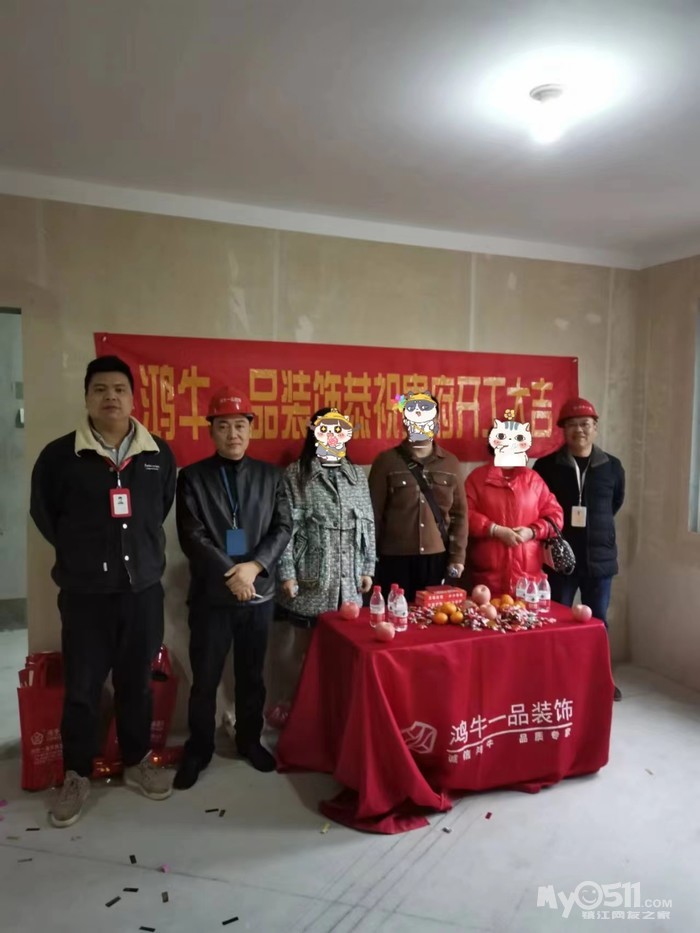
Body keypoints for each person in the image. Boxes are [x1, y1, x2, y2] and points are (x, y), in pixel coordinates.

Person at [30, 356, 176, 828]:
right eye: (100, 389)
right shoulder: (59, 456)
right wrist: (83, 556)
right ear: (87, 398)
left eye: (119, 389)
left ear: (133, 398)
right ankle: (76, 773)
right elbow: (45, 514)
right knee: (82, 689)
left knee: (136, 683)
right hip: (85, 595)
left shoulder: (158, 454)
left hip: (142, 593)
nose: (110, 396)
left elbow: (160, 508)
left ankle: (137, 761)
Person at [173, 387, 292, 788]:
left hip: (259, 596)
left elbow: (283, 527)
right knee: (205, 679)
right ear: (211, 431)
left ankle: (249, 740)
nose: (233, 434)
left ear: (250, 429)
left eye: (240, 425)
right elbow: (192, 536)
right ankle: (199, 748)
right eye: (223, 426)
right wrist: (233, 574)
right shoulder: (192, 478)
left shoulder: (271, 477)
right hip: (212, 597)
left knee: (252, 676)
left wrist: (253, 568)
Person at [274, 408, 376, 698]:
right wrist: (287, 573)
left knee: (344, 656)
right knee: (305, 656)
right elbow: (285, 528)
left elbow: (368, 524)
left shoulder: (356, 475)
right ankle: (304, 711)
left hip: (349, 584)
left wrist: (367, 568)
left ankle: (336, 712)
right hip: (311, 581)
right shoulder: (297, 474)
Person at [533, 397, 625, 699]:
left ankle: (600, 680)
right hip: (559, 558)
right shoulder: (546, 467)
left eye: (585, 424)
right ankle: (555, 680)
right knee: (555, 621)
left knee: (598, 622)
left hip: (600, 559)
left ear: (595, 427)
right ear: (563, 430)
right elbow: (539, 507)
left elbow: (615, 503)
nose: (579, 430)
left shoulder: (612, 466)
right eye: (571, 425)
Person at [369, 391, 467, 601]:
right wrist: (369, 562)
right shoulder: (386, 462)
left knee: (434, 617)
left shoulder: (451, 463)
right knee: (395, 615)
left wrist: (457, 558)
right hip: (394, 559)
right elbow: (373, 516)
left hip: (436, 559)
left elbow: (459, 515)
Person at [465, 412, 564, 595]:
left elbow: (555, 517)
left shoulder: (534, 480)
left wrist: (532, 531)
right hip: (486, 579)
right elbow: (464, 515)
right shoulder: (477, 479)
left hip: (527, 580)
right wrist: (494, 529)